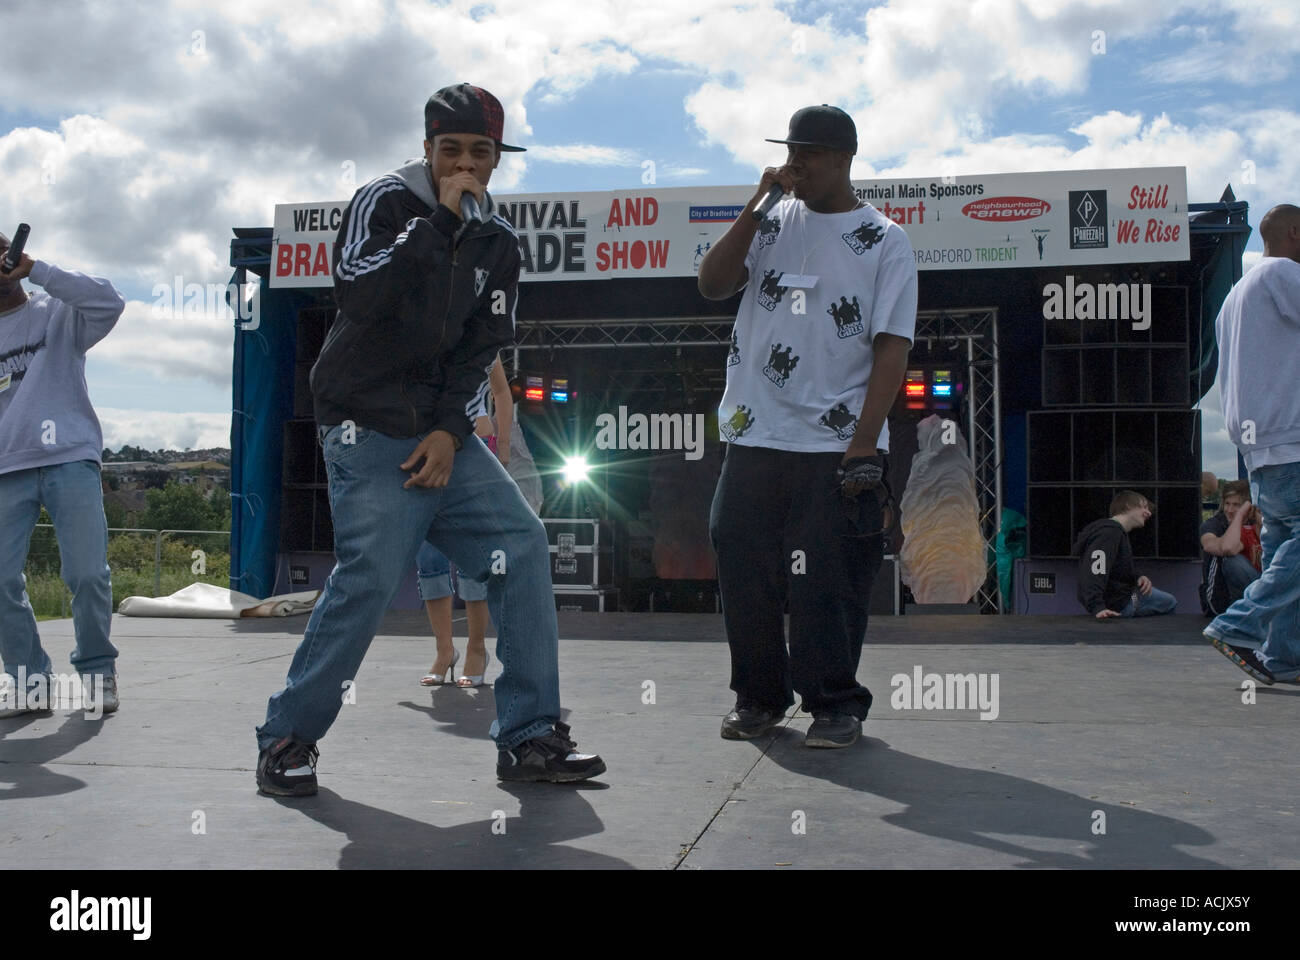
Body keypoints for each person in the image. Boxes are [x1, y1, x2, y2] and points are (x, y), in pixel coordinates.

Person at [255, 83, 604, 795]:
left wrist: (450, 433)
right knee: (371, 578)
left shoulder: (499, 241)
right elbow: (359, 294)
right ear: (427, 150)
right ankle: (288, 737)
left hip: (441, 433)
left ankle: (531, 734)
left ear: (499, 158)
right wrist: (438, 227)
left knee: (523, 546)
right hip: (365, 421)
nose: (465, 166)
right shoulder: (382, 202)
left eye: (482, 153)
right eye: (452, 151)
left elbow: (482, 345)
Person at [698, 104, 917, 749]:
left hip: (835, 438)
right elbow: (712, 284)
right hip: (754, 430)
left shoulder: (884, 238)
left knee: (827, 574)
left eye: (810, 153)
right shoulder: (769, 221)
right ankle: (759, 699)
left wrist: (863, 443)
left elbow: (892, 346)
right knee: (744, 564)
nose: (797, 163)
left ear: (844, 159)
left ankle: (833, 703)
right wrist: (755, 203)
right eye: (791, 151)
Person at [0, 233, 124, 718]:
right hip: (8, 467)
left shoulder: (56, 313)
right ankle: (30, 683)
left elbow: (109, 301)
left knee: (87, 573)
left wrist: (35, 270)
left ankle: (98, 674)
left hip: (69, 457)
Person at [1204, 203, 1300, 684]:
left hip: (1259, 448)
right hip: (1291, 439)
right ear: (1294, 233)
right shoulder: (1283, 273)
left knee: (1285, 549)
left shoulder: (1233, 298)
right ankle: (1236, 625)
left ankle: (1282, 656)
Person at [418, 358, 514, 688]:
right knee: (429, 554)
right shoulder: (427, 331)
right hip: (428, 444)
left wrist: (503, 447)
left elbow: (501, 392)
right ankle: (444, 651)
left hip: (477, 444)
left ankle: (476, 649)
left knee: (473, 551)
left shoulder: (483, 337)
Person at [1074, 491, 1177, 619]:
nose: (1148, 513)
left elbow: (1116, 570)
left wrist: (1137, 577)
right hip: (1121, 603)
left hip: (1119, 601)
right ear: (1128, 506)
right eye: (1144, 507)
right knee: (1170, 602)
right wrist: (1097, 607)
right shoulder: (1109, 533)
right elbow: (1094, 572)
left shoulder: (1115, 533)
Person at [1199, 479, 1262, 615]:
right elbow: (1227, 548)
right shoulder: (1214, 524)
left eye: (1236, 505)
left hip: (1255, 591)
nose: (1229, 510)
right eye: (1227, 504)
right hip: (1221, 599)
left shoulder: (1256, 523)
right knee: (1233, 561)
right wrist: (1239, 516)